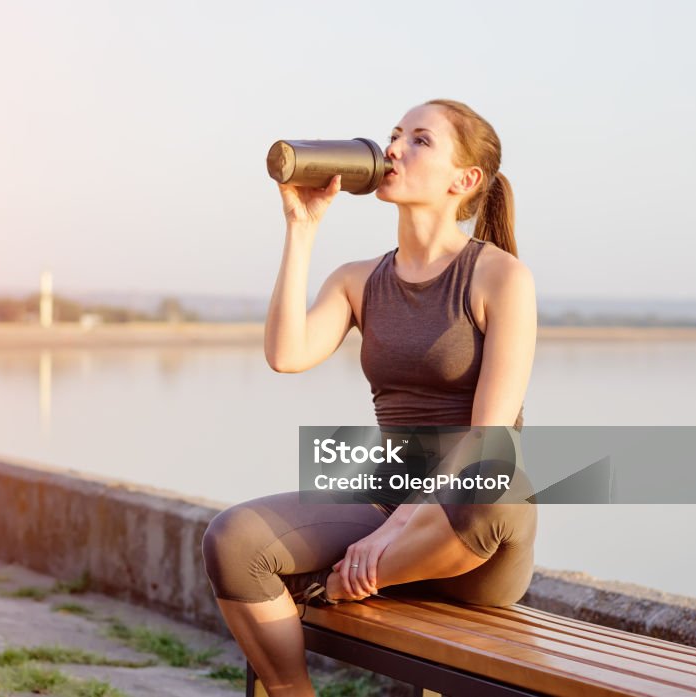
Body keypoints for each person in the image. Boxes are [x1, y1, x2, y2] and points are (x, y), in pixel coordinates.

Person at [201, 99, 538, 697]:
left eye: (420, 140)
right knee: (233, 538)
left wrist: (398, 528)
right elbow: (286, 354)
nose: (394, 150)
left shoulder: (500, 277)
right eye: (393, 135)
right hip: (385, 510)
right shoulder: (359, 279)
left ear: (465, 181)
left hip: (468, 538)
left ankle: (343, 581)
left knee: (496, 482)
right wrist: (301, 228)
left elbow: (491, 437)